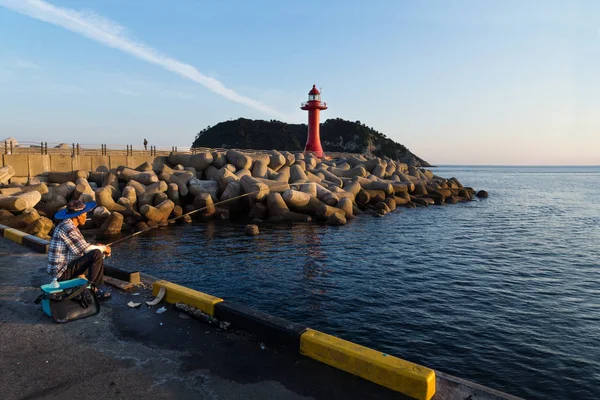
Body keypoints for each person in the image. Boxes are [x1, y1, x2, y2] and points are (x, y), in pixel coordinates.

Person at [47, 199, 112, 299]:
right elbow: (85, 249)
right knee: (96, 254)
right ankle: (95, 290)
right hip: (60, 274)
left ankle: (84, 279)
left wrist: (99, 247)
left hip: (61, 270)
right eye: (85, 214)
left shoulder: (66, 224)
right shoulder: (68, 227)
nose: (86, 216)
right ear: (78, 215)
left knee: (96, 253)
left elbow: (81, 248)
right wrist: (103, 248)